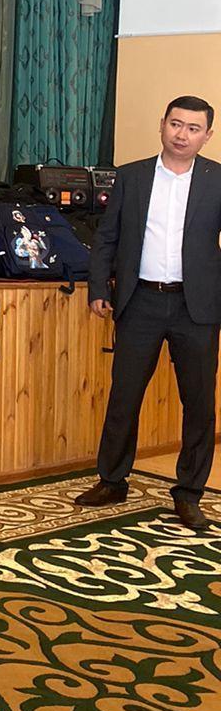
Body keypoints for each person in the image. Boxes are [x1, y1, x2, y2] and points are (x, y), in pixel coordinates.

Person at [77, 95, 221, 531]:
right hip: (140, 301)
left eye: (193, 128)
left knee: (199, 403)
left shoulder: (217, 179)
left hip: (196, 307)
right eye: (176, 124)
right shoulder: (132, 176)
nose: (182, 134)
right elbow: (107, 236)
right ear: (162, 125)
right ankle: (112, 480)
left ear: (207, 135)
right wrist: (98, 288)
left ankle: (189, 493)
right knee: (124, 395)